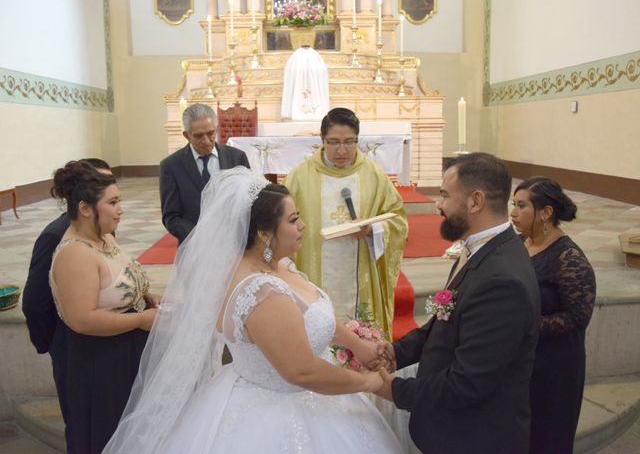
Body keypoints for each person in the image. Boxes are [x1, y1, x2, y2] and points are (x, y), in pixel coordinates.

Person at [104, 167, 401, 453]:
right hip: (282, 410)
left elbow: (312, 315)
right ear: (263, 233)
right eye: (293, 219)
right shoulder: (263, 293)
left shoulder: (277, 265)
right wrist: (370, 382)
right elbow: (302, 371)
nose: (302, 226)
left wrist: (357, 344)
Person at [373, 153, 540, 453]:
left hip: (474, 438)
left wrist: (391, 389)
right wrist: (397, 352)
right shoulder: (481, 250)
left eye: (445, 195)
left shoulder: (502, 282)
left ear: (475, 201)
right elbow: (444, 322)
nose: (439, 204)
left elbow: (468, 381)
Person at [49, 161, 158, 454]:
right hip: (102, 362)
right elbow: (81, 319)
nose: (120, 209)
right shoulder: (75, 254)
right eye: (113, 202)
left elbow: (115, 284)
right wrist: (140, 321)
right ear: (85, 208)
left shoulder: (104, 237)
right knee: (108, 434)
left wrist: (146, 296)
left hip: (125, 353)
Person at [284, 108, 408, 336]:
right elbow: (281, 222)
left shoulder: (373, 174)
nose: (342, 150)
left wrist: (373, 230)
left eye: (350, 142)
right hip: (314, 273)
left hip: (359, 271)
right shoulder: (300, 177)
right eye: (334, 142)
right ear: (322, 140)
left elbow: (397, 218)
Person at [22, 158, 112, 431]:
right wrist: (54, 346)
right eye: (101, 185)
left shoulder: (104, 229)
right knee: (82, 421)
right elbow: (35, 303)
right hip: (73, 347)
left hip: (105, 347)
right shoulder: (56, 236)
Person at [511, 176, 596, 454]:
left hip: (555, 368)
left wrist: (526, 327)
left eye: (522, 206)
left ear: (546, 212)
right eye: (514, 204)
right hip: (524, 361)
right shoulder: (520, 242)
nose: (513, 212)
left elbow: (577, 317)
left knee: (547, 439)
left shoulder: (569, 258)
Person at [160, 103, 250, 244]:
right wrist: (199, 236)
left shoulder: (237, 158)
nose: (206, 141)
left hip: (235, 242)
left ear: (217, 129)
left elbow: (249, 201)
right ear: (186, 135)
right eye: (198, 136)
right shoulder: (171, 166)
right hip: (195, 246)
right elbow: (171, 217)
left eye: (210, 133)